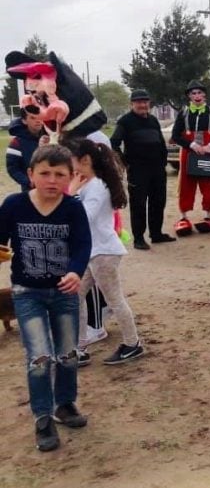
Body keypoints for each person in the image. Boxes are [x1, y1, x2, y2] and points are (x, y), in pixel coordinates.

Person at [0, 145, 91, 452]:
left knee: (67, 353)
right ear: (30, 175)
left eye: (59, 175)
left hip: (64, 293)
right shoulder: (13, 205)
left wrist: (76, 271)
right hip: (28, 294)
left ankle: (65, 404)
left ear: (70, 177)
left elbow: (82, 244)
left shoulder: (72, 208)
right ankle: (43, 416)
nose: (52, 180)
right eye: (45, 173)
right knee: (39, 357)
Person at [65, 139, 146, 367]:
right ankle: (79, 347)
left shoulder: (97, 186)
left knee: (114, 298)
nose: (70, 166)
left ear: (85, 160)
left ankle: (132, 343)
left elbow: (84, 218)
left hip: (103, 252)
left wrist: (70, 196)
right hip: (92, 251)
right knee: (76, 295)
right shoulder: (88, 184)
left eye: (72, 160)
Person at [111, 89, 175, 250]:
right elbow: (114, 143)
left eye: (145, 101)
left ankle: (156, 234)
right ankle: (138, 238)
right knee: (138, 204)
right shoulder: (125, 122)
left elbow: (160, 142)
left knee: (158, 202)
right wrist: (125, 163)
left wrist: (163, 162)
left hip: (157, 169)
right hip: (138, 170)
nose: (142, 105)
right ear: (131, 104)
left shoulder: (153, 120)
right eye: (139, 102)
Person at [171, 80, 210, 236]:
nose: (197, 96)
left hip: (208, 155)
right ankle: (183, 217)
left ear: (204, 95)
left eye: (199, 93)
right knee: (185, 184)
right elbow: (175, 136)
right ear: (189, 96)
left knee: (208, 185)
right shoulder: (183, 113)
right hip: (188, 154)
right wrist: (192, 145)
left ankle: (208, 217)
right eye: (193, 93)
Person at [5, 108, 45, 191]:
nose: (38, 121)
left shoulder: (51, 137)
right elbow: (12, 168)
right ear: (24, 121)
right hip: (30, 191)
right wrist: (29, 182)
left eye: (40, 117)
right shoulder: (16, 142)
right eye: (33, 118)